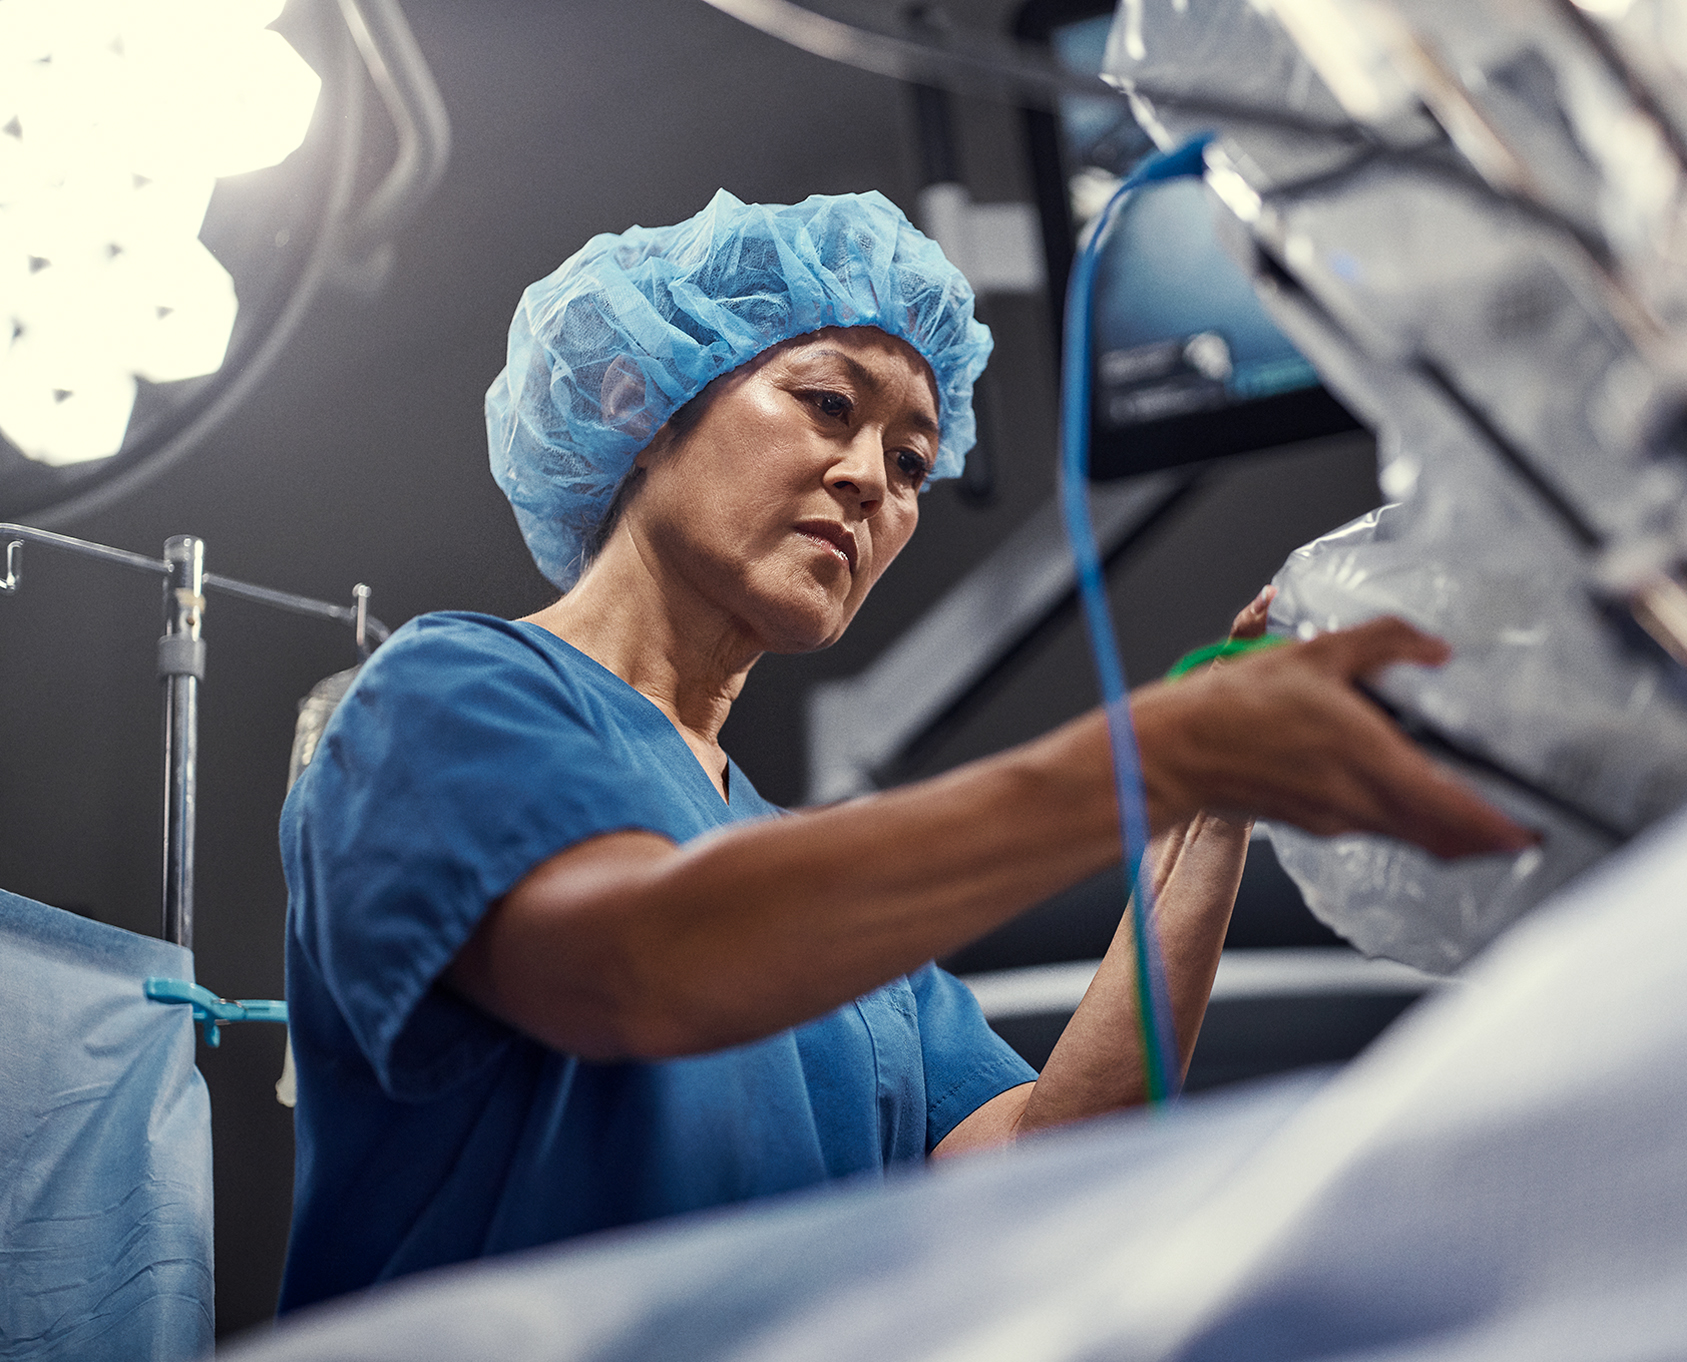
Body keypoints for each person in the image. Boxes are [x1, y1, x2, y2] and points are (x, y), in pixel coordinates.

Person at [275, 189, 1529, 1313]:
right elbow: (640, 968)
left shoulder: (830, 917)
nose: (874, 478)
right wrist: (1151, 754)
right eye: (829, 403)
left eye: (915, 460)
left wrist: (1209, 819)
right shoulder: (450, 696)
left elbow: (1050, 1171)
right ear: (637, 402)